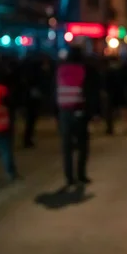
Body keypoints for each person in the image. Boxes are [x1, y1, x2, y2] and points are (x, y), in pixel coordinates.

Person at [56, 46, 99, 187]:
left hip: (64, 111)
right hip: (79, 110)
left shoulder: (60, 70)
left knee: (67, 146)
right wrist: (93, 113)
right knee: (82, 145)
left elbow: (54, 90)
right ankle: (81, 174)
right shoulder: (85, 70)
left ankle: (69, 177)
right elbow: (90, 92)